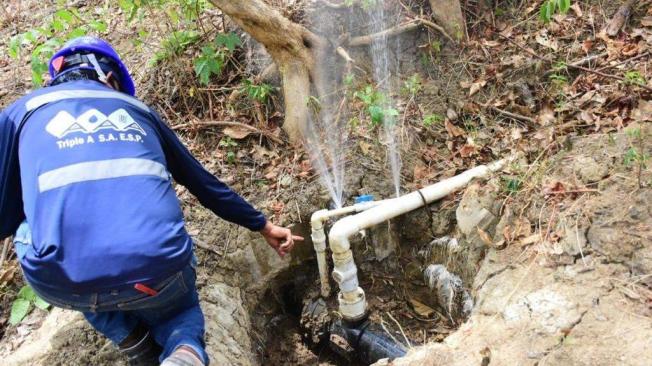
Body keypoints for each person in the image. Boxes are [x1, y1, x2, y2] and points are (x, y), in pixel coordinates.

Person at [0, 36, 303, 366]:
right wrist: (263, 225)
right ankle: (183, 349)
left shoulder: (19, 114)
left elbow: (5, 215)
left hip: (66, 279)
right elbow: (205, 186)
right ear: (111, 79)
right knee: (183, 315)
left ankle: (137, 345)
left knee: (35, 235)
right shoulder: (138, 111)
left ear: (55, 78)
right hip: (158, 269)